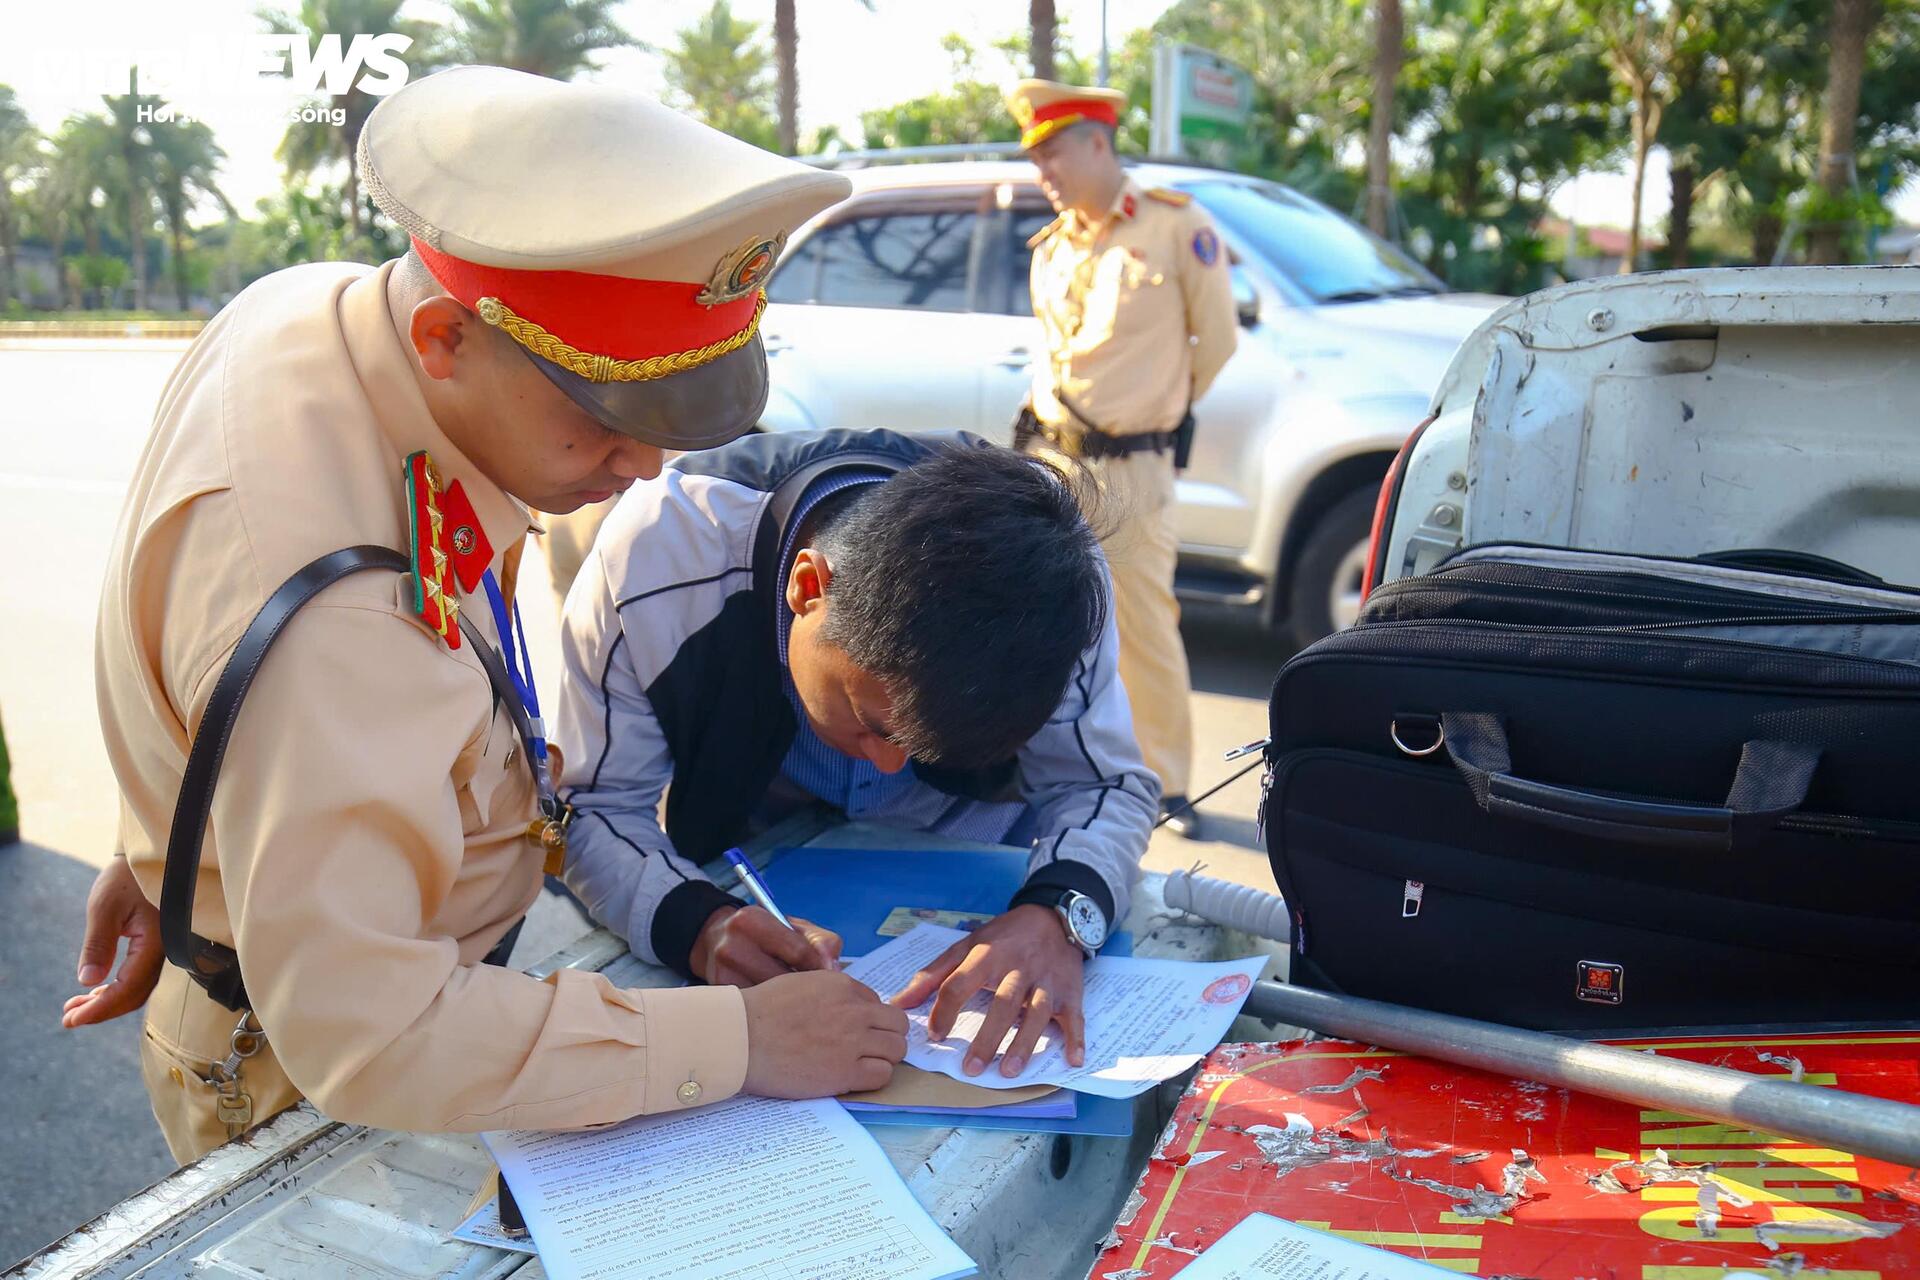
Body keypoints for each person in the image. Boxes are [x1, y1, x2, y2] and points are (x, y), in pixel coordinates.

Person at [70, 65, 906, 1164]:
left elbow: (193, 621)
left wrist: (180, 818)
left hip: (334, 955)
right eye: (602, 410)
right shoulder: (339, 620)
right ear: (442, 341)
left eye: (665, 415)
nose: (646, 464)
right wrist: (740, 1040)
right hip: (321, 1083)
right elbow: (373, 1032)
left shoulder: (314, 311)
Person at [556, 429, 1157, 1079]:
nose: (890, 765)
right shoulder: (659, 557)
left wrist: (1059, 912)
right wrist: (698, 924)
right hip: (762, 879)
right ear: (807, 588)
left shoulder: (1053, 585)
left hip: (987, 881)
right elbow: (591, 805)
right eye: (875, 724)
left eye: (930, 746)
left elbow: (1102, 785)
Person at [1005, 79, 1239, 839]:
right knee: (1047, 618)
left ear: (1098, 144)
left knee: (1143, 625)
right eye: (1035, 158)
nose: (1043, 172)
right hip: (1053, 458)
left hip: (1132, 467)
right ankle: (1049, 776)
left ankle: (1167, 784)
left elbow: (1217, 341)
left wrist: (1155, 410)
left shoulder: (1176, 225)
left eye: (1053, 154)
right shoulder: (1054, 244)